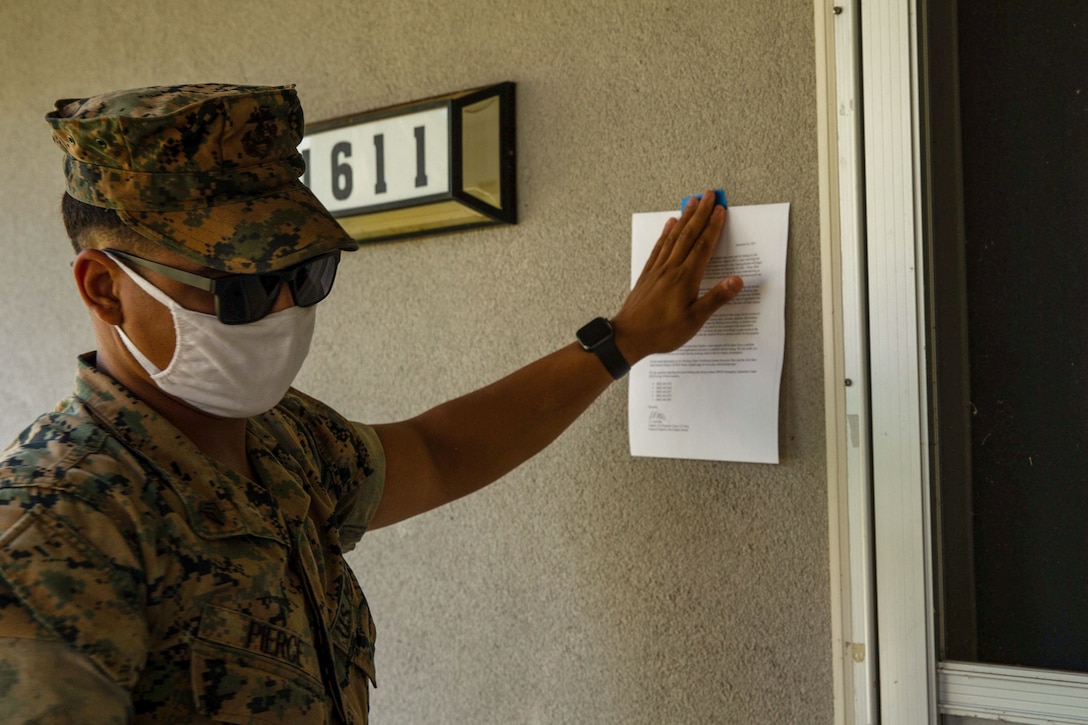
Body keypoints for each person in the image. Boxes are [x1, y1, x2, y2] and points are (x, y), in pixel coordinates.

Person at [0, 83, 742, 724]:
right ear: (105, 287)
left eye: (306, 273)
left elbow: (437, 451)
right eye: (243, 287)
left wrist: (622, 342)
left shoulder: (279, 439)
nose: (283, 307)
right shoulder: (54, 529)